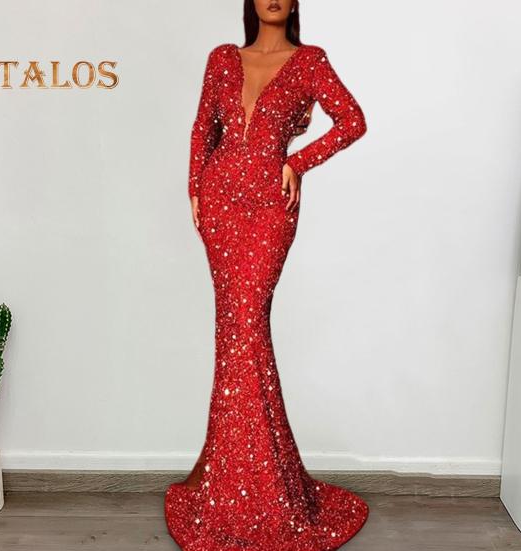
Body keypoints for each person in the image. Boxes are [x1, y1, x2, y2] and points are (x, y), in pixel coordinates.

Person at [165, 0, 369, 548]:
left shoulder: (310, 61)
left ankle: (256, 488)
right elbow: (203, 127)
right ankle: (233, 481)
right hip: (219, 203)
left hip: (270, 209)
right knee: (233, 336)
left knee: (246, 330)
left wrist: (298, 161)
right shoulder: (222, 58)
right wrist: (194, 189)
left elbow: (353, 121)